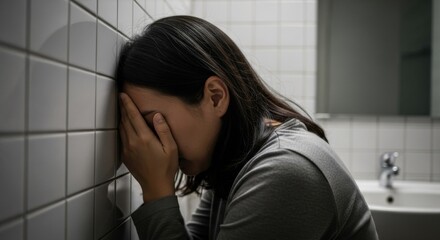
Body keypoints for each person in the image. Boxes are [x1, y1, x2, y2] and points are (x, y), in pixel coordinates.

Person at [116, 15, 379, 240]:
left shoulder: (285, 171)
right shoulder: (237, 162)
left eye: (154, 121)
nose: (149, 140)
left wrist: (157, 190)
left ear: (215, 97)